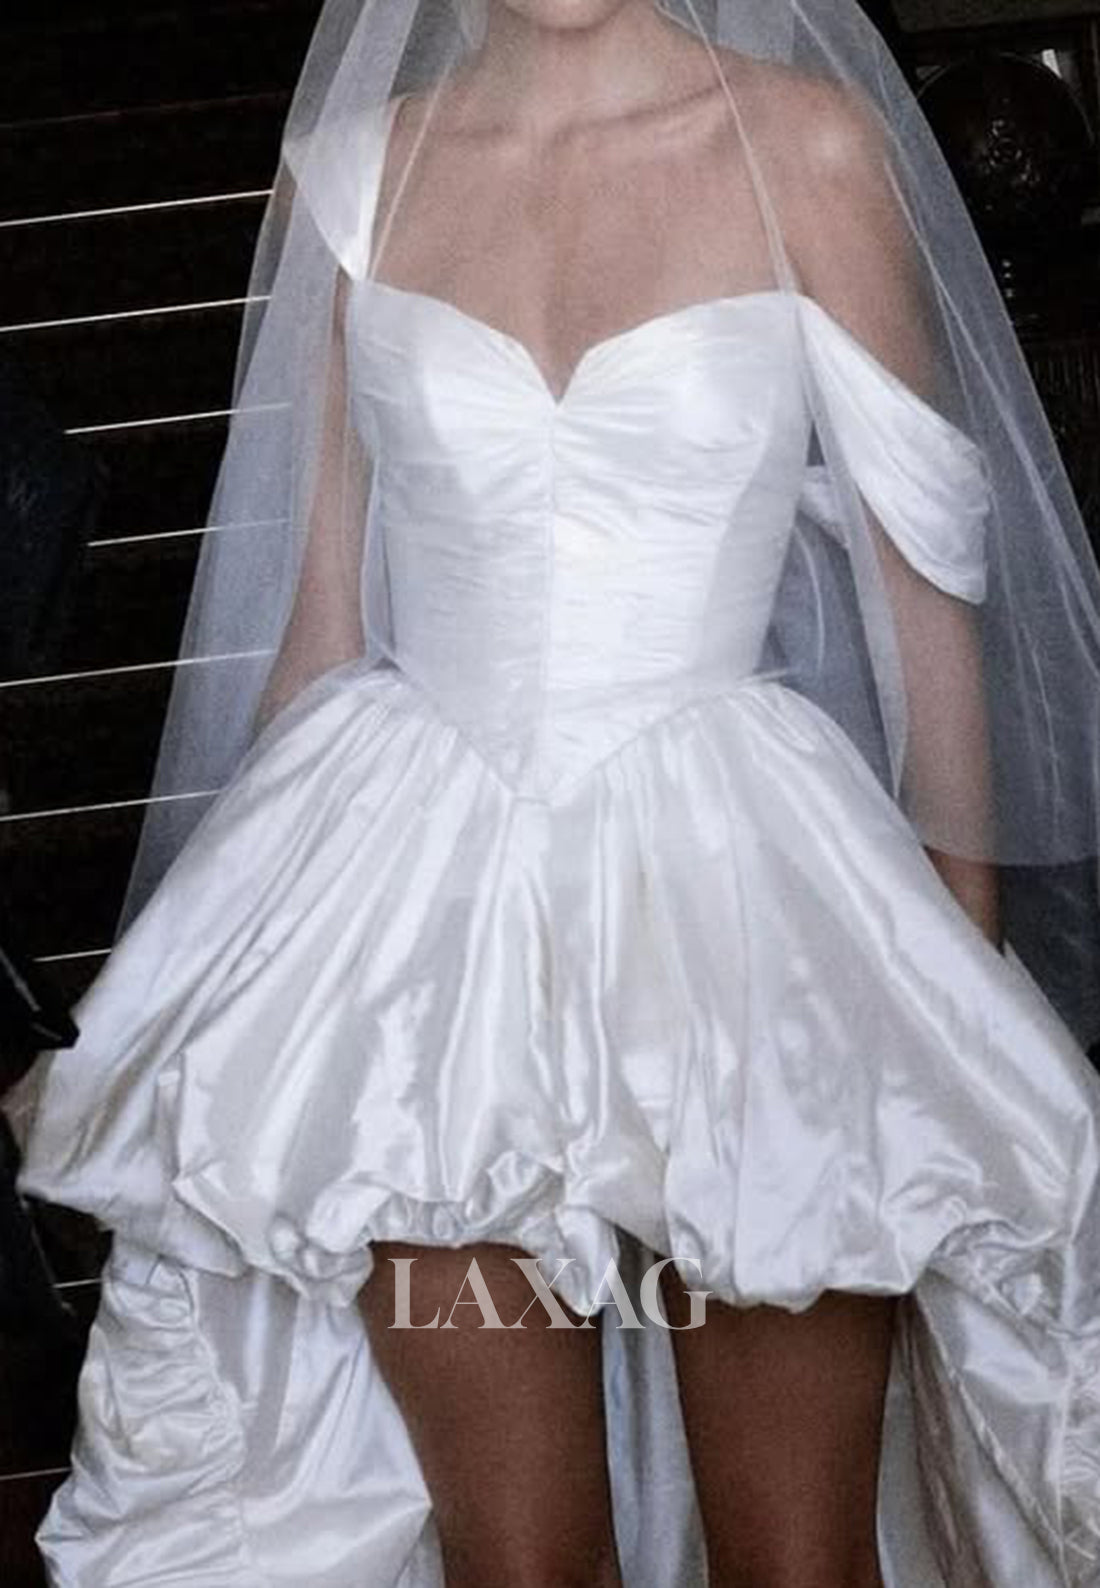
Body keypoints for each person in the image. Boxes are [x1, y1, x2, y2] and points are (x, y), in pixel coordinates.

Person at [8, 2, 1100, 1584]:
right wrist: (217, 995)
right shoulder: (355, 175)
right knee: (517, 1565)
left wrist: (955, 985)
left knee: (796, 1563)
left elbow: (924, 587)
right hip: (423, 939)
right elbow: (319, 623)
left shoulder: (808, 146)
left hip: (754, 920)